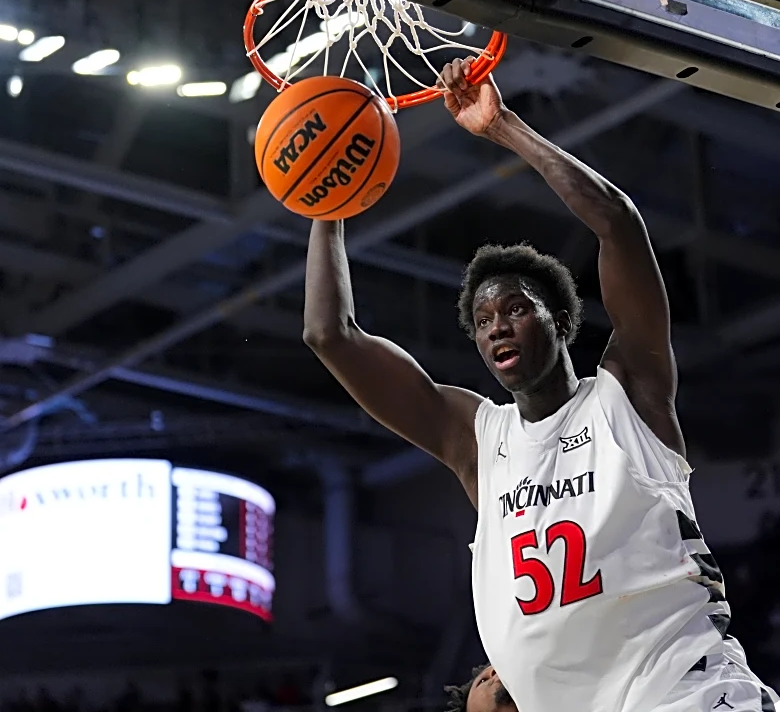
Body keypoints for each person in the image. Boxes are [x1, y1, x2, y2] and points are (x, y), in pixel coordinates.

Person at [302, 59, 778, 712]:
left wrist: (502, 126)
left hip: (685, 693)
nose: (498, 326)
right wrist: (327, 202)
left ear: (557, 318)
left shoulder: (627, 392)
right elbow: (331, 335)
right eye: (484, 319)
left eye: (516, 308)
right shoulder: (477, 439)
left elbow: (618, 223)